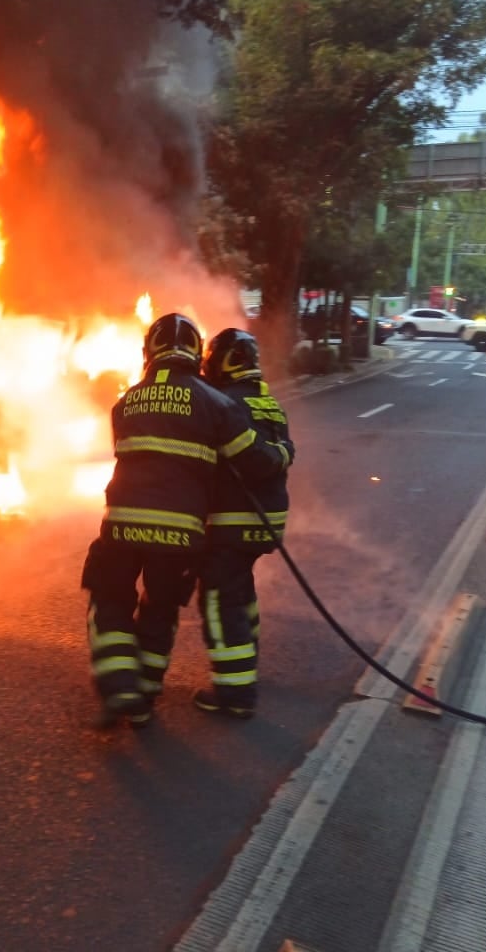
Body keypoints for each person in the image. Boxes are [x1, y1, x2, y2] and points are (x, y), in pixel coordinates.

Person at [80, 312, 289, 729]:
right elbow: (251, 459)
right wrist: (280, 452)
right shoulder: (217, 404)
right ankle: (147, 687)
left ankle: (123, 687)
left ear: (150, 352)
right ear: (197, 352)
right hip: (182, 533)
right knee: (160, 606)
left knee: (110, 596)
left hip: (122, 524)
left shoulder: (126, 401)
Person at [194, 328, 294, 720]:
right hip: (266, 521)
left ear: (225, 361)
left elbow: (248, 460)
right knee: (241, 591)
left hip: (233, 520)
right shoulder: (269, 402)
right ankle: (246, 664)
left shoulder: (226, 405)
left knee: (219, 598)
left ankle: (235, 691)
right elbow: (280, 451)